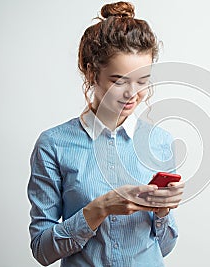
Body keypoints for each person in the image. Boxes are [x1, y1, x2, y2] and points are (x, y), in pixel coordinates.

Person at [27, 2, 184, 266]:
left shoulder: (160, 142)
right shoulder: (53, 145)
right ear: (92, 73)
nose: (132, 93)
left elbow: (164, 247)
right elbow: (42, 251)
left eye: (143, 80)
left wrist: (163, 210)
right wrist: (99, 209)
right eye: (119, 81)